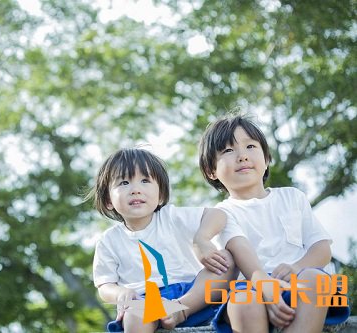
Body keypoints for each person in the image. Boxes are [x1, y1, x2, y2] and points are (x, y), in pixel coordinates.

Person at [197, 114, 350, 333]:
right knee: (244, 301)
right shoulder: (222, 213)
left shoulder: (292, 197)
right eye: (228, 151)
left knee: (316, 278)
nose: (242, 156)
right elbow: (239, 250)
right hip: (252, 287)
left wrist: (297, 267)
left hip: (299, 282)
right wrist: (264, 286)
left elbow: (321, 248)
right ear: (211, 171)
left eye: (250, 146)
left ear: (267, 158)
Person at [89, 147, 238, 333]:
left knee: (227, 258)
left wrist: (202, 239)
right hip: (144, 302)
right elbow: (104, 285)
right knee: (134, 314)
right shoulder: (108, 240)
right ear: (108, 200)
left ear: (160, 195)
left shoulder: (171, 217)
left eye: (145, 181)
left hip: (193, 296)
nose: (135, 190)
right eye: (124, 182)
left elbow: (218, 215)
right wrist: (121, 293)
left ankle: (180, 312)